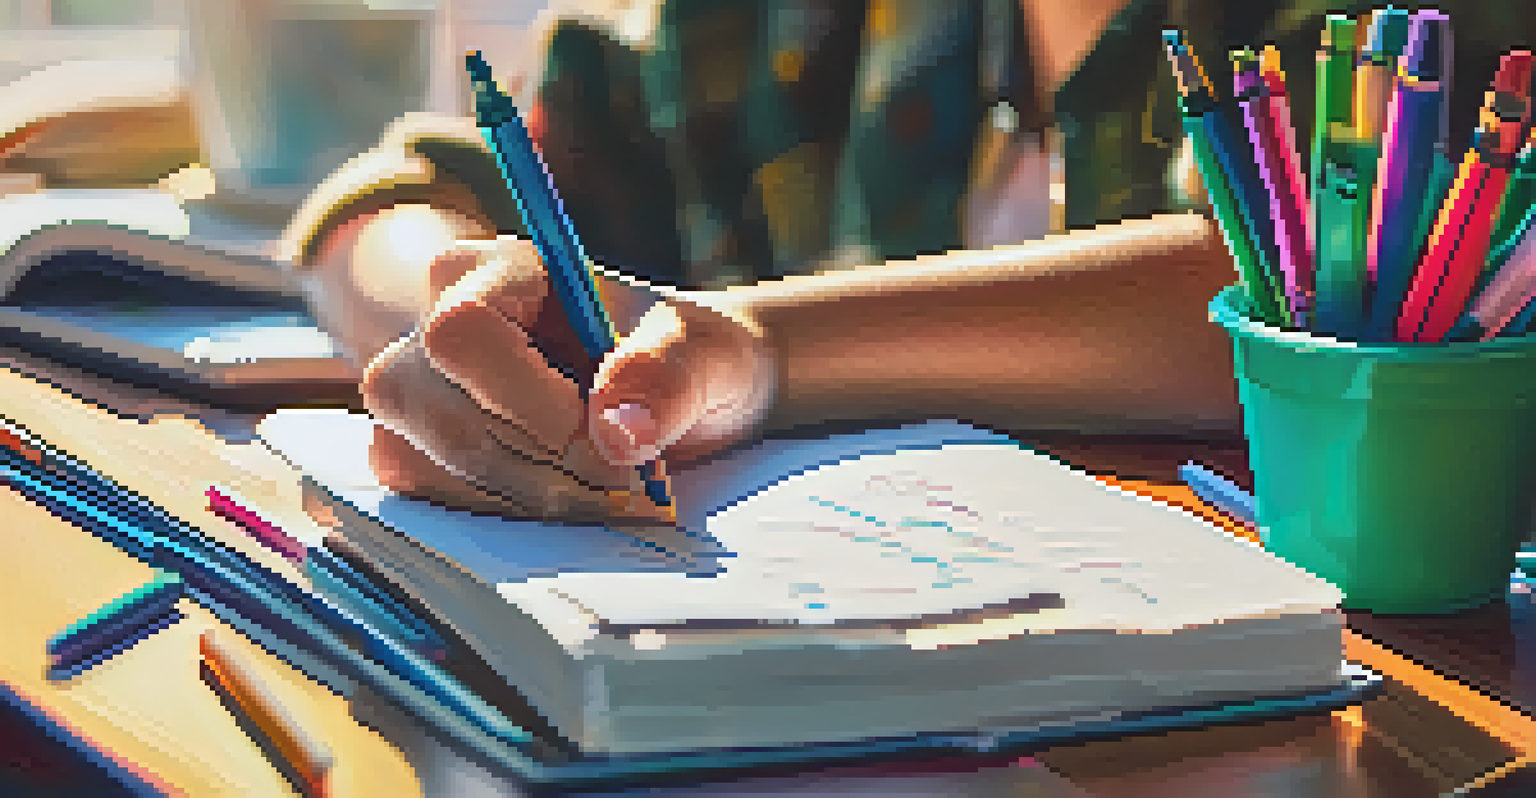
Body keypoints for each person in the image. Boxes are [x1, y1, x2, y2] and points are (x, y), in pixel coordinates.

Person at [278, 0, 1532, 522]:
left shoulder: (1405, 39)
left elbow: (1294, 301)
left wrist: (758, 350)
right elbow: (397, 195)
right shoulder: (802, 29)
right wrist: (461, 306)